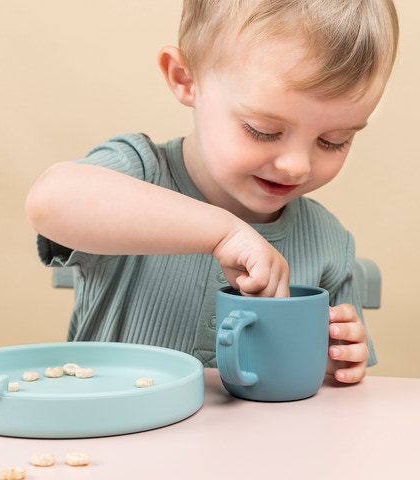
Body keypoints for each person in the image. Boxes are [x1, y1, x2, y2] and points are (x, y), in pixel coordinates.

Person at [25, 0, 399, 384]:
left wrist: (334, 362)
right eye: (263, 130)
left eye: (333, 140)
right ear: (186, 79)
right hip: (113, 421)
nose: (297, 165)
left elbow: (334, 393)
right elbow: (49, 200)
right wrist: (223, 233)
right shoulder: (139, 172)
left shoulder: (328, 242)